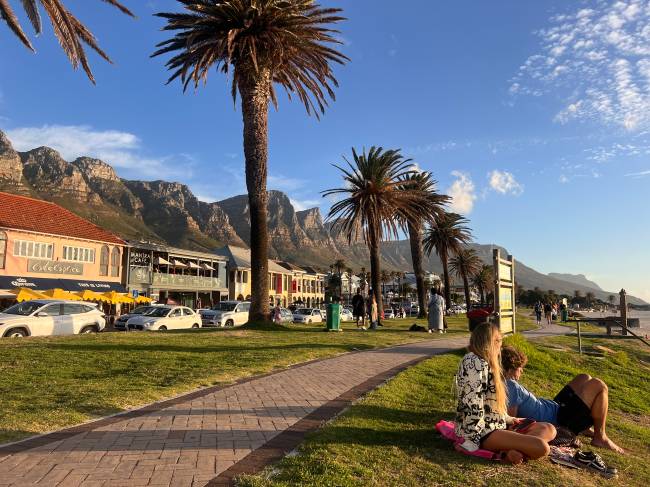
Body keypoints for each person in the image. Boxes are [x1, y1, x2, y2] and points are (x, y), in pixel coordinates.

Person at [455, 323, 555, 463]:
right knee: (542, 447)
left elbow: (491, 405)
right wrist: (472, 442)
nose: (500, 349)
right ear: (491, 342)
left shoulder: (486, 363)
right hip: (484, 432)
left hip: (496, 425)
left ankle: (510, 451)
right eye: (499, 342)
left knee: (549, 428)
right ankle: (512, 451)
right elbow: (472, 403)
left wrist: (508, 419)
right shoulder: (474, 362)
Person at [501, 346, 624, 453]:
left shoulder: (506, 384)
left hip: (555, 407)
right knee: (599, 385)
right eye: (519, 367)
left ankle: (585, 429)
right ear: (510, 369)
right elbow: (512, 422)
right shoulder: (510, 385)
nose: (522, 371)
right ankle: (600, 437)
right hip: (560, 420)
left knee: (583, 377)